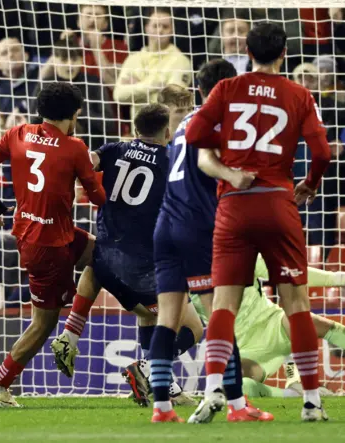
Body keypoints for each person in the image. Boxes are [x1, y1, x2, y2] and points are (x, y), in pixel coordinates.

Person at [185, 22, 333, 422]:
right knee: (296, 305)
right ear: (284, 53)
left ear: (247, 52)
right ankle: (312, 402)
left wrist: (230, 165)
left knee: (224, 304)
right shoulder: (299, 94)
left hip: (234, 205)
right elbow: (322, 152)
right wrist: (309, 185)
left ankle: (214, 388)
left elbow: (195, 134)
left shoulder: (227, 89)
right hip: (278, 202)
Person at [0, 82, 106, 407]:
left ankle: (72, 332)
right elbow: (98, 198)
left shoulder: (17, 134)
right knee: (42, 324)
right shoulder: (74, 148)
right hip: (48, 248)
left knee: (104, 257)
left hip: (43, 235)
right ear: (75, 114)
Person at [49, 104, 200, 408]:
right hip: (141, 269)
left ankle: (71, 334)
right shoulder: (171, 161)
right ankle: (148, 368)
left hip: (104, 263)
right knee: (193, 328)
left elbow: (85, 163)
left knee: (145, 313)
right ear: (167, 133)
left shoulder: (113, 148)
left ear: (134, 129)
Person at [146, 59, 271, 423]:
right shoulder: (227, 122)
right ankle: (235, 405)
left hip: (164, 226)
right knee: (220, 313)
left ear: (200, 90)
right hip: (197, 228)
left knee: (167, 318)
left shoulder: (183, 122)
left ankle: (162, 408)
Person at [186, 255, 345, 398]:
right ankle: (290, 395)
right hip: (243, 349)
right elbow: (181, 320)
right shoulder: (185, 274)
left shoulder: (239, 254)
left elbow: (293, 274)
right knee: (234, 388)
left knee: (308, 321)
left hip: (273, 324)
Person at [36, 38, 117, 150]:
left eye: (74, 59)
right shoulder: (45, 85)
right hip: (51, 148)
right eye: (64, 60)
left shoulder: (93, 83)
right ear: (54, 60)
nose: (70, 65)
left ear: (82, 60)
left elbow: (109, 124)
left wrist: (81, 112)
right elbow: (32, 120)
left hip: (90, 148)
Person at [113, 8, 192, 122]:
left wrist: (138, 86)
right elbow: (118, 95)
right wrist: (154, 86)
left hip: (167, 133)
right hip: (137, 132)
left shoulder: (181, 60)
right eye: (155, 26)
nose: (160, 30)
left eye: (165, 27)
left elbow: (172, 100)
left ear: (172, 30)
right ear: (146, 28)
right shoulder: (133, 59)